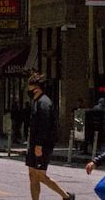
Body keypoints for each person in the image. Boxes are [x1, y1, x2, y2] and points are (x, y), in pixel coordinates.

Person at [26, 72, 75, 200]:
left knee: (40, 175)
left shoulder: (44, 103)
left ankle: (66, 196)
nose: (28, 92)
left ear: (36, 89)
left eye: (30, 89)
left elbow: (45, 126)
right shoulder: (37, 102)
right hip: (34, 144)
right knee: (32, 174)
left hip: (42, 145)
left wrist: (39, 145)